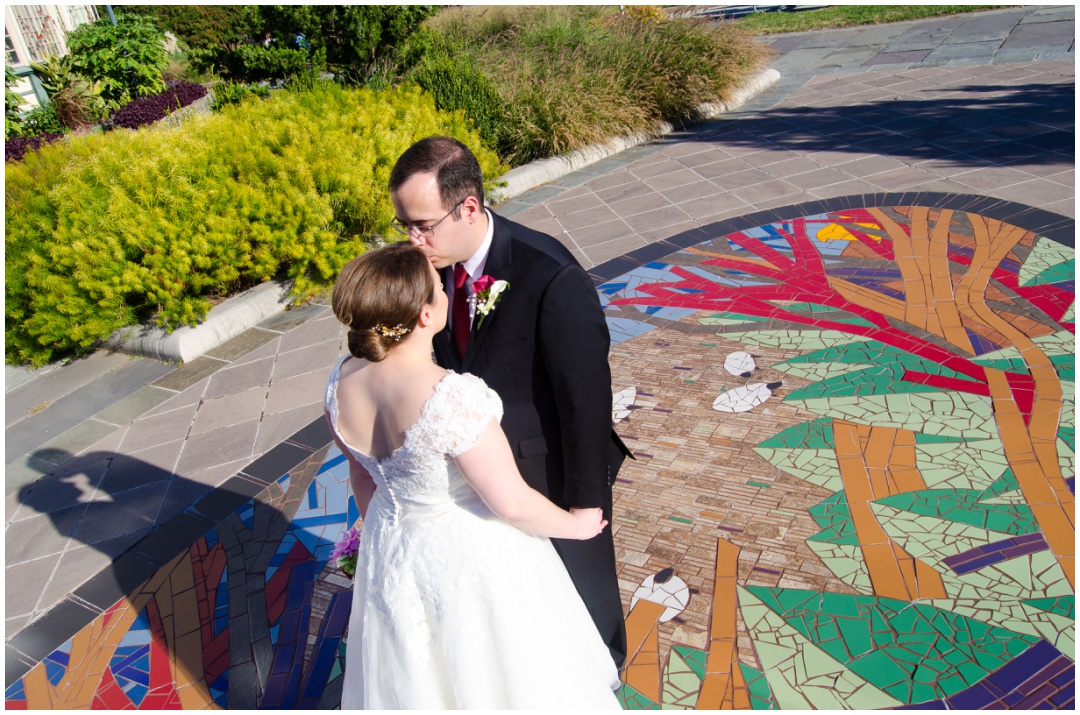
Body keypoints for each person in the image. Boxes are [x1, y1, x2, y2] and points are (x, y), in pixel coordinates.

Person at [326, 243, 621, 709]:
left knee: (419, 669)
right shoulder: (450, 397)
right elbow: (511, 502)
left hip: (391, 545)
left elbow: (363, 478)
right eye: (439, 288)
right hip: (466, 552)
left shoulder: (341, 379)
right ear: (425, 315)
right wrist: (577, 525)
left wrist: (389, 538)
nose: (448, 290)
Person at [388, 136, 631, 670]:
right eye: (403, 225)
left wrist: (586, 501)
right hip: (479, 473)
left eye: (423, 225)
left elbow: (586, 401)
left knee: (584, 594)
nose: (413, 240)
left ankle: (604, 674)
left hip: (551, 472)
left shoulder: (551, 276)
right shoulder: (434, 267)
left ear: (468, 207)